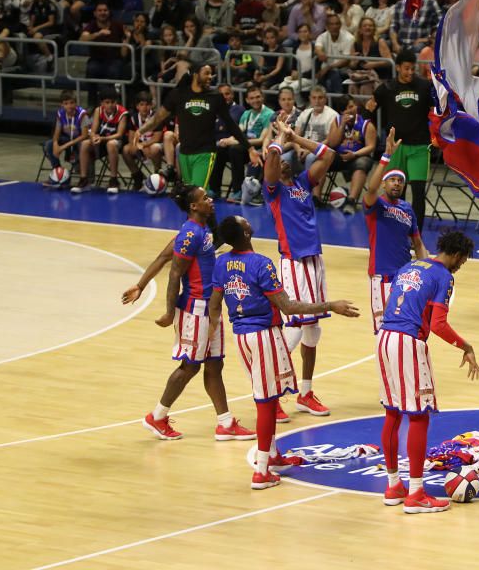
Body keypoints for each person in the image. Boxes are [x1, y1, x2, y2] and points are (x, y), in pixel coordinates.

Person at [208, 215, 359, 489]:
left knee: (267, 396)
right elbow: (288, 307)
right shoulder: (261, 264)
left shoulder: (221, 262)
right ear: (245, 232)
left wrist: (211, 333)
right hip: (263, 335)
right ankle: (262, 470)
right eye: (245, 220)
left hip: (240, 336)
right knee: (266, 404)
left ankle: (274, 455)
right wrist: (330, 305)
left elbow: (215, 304)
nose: (248, 220)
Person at [123, 185, 255, 441]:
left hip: (210, 308)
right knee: (190, 366)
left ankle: (225, 423)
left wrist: (140, 285)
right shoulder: (190, 233)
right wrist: (169, 312)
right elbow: (174, 272)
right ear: (194, 206)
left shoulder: (202, 230)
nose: (211, 200)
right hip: (195, 309)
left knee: (215, 364)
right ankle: (157, 417)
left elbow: (162, 257)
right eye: (205, 198)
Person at [376, 230, 479, 514]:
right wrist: (465, 345)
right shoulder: (444, 276)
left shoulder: (409, 266)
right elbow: (438, 325)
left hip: (384, 337)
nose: (460, 265)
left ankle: (394, 485)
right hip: (408, 342)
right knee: (419, 415)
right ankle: (416, 493)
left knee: (392, 412)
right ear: (457, 255)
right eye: (463, 260)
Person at [266, 116, 339, 418]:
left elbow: (328, 155)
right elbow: (269, 164)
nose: (282, 161)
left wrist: (295, 138)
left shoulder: (302, 183)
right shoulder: (274, 191)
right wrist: (279, 141)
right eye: (279, 159)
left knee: (313, 331)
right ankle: (271, 394)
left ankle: (305, 393)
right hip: (293, 262)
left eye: (286, 159)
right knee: (294, 331)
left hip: (314, 261)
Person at [136, 65, 258, 189]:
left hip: (205, 153)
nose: (210, 77)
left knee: (197, 193)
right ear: (195, 75)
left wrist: (250, 148)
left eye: (211, 74)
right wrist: (140, 131)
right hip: (184, 153)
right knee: (191, 196)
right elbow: (158, 117)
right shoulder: (178, 94)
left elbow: (231, 125)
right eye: (206, 73)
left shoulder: (215, 96)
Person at [363, 128, 428, 332]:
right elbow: (370, 189)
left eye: (400, 181)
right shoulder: (376, 205)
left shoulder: (407, 209)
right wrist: (386, 157)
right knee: (382, 330)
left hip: (404, 277)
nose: (397, 183)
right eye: (392, 180)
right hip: (382, 276)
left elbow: (418, 243)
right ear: (384, 183)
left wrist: (426, 268)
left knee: (403, 328)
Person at [365, 49, 434, 230]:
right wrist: (367, 131)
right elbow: (368, 111)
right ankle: (398, 228)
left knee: (418, 192)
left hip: (419, 146)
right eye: (406, 69)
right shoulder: (387, 89)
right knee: (396, 191)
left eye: (413, 69)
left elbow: (437, 113)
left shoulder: (425, 87)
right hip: (395, 147)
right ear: (397, 68)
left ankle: (415, 233)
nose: (410, 72)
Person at [217, 86, 275, 203]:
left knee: (235, 149)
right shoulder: (246, 114)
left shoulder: (269, 114)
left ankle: (241, 191)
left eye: (258, 97)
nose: (255, 100)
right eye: (252, 98)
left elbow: (260, 140)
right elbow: (239, 132)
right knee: (220, 149)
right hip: (246, 148)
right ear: (247, 100)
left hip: (260, 149)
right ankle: (215, 188)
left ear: (262, 97)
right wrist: (227, 140)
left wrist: (234, 141)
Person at [73, 89, 128, 194]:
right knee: (85, 144)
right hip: (101, 140)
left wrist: (102, 139)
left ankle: (114, 180)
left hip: (117, 141)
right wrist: (94, 137)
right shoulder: (98, 110)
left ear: (116, 102)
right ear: (102, 103)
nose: (110, 105)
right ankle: (84, 180)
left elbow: (120, 134)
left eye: (113, 102)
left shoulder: (123, 113)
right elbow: (93, 130)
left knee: (111, 144)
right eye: (107, 102)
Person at [330, 97, 377, 214]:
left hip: (358, 156)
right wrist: (342, 126)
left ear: (356, 107)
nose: (350, 111)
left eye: (351, 107)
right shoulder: (336, 121)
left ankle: (351, 201)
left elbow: (371, 146)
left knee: (362, 163)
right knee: (322, 157)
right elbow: (332, 143)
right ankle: (316, 199)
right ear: (341, 112)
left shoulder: (366, 124)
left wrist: (355, 154)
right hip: (339, 155)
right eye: (346, 109)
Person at [123, 92, 174, 190]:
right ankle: (138, 176)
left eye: (147, 104)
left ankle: (157, 176)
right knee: (126, 150)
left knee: (154, 148)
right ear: (137, 106)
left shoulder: (156, 117)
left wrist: (143, 145)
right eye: (141, 105)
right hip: (142, 145)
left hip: (158, 144)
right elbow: (131, 137)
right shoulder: (134, 118)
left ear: (151, 105)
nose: (144, 107)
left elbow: (157, 138)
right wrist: (136, 146)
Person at [79, 2, 127, 107]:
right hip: (97, 60)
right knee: (91, 69)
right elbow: (83, 39)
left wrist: (126, 39)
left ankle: (114, 104)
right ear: (95, 13)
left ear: (109, 12)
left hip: (114, 59)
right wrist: (98, 33)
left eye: (105, 10)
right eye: (100, 11)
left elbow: (125, 40)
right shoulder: (91, 26)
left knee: (114, 71)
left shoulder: (117, 25)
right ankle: (91, 104)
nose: (102, 13)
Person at [43, 90, 90, 178]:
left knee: (83, 146)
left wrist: (63, 147)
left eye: (72, 103)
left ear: (76, 103)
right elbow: (56, 133)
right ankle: (57, 173)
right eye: (66, 103)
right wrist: (56, 145)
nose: (69, 106)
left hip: (80, 140)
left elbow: (84, 135)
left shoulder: (82, 114)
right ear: (62, 105)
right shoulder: (60, 114)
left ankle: (84, 176)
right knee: (49, 145)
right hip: (66, 138)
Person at [315, 13, 354, 93]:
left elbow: (346, 60)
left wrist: (329, 67)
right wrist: (320, 53)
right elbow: (318, 47)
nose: (334, 27)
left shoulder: (349, 38)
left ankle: (337, 100)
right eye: (331, 24)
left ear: (340, 25)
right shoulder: (322, 36)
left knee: (333, 74)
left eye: (337, 24)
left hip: (343, 70)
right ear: (327, 26)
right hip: (326, 70)